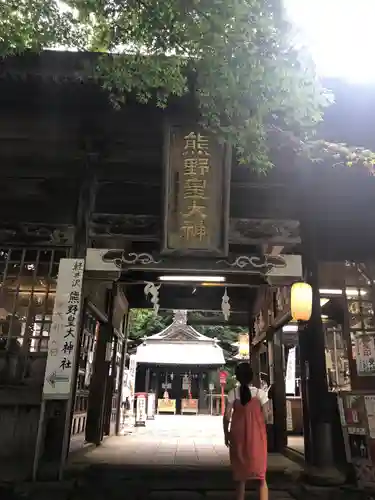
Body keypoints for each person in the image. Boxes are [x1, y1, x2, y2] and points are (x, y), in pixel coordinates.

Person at [223, 363, 269, 500]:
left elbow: (226, 416)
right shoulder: (260, 394)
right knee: (261, 479)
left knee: (241, 478)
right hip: (257, 438)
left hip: (238, 436)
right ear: (251, 376)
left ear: (237, 377)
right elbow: (267, 416)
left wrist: (226, 434)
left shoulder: (233, 394)